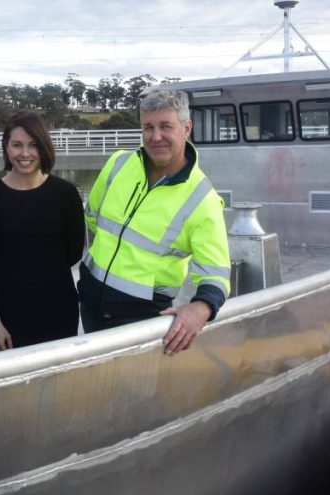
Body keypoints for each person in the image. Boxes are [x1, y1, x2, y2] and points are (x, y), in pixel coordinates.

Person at [78, 88, 231, 355]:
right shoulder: (118, 164)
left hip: (138, 317)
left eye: (165, 126)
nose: (155, 136)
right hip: (90, 300)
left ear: (186, 128)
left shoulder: (202, 200)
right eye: (148, 127)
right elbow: (92, 218)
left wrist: (201, 308)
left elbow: (216, 274)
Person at [0, 112, 85, 350]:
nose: (25, 154)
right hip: (11, 315)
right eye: (17, 145)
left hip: (59, 307)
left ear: (44, 147)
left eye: (33, 145)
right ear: (6, 148)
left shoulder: (65, 194)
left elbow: (74, 251)